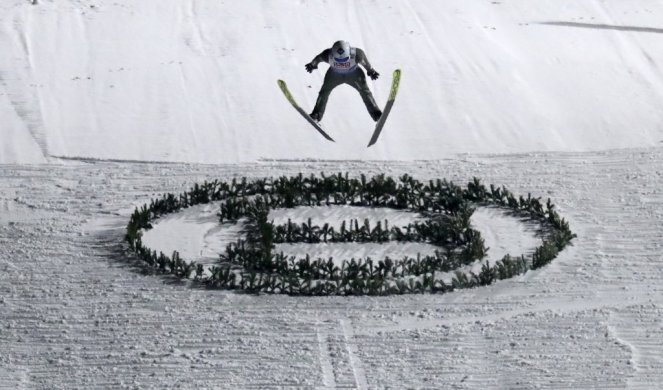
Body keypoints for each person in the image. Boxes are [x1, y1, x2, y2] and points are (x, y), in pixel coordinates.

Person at [305, 40, 382, 122]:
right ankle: (316, 114)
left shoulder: (357, 54)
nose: (341, 62)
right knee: (324, 92)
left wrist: (371, 71)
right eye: (338, 59)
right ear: (333, 54)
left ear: (349, 53)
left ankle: (376, 113)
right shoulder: (327, 55)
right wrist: (312, 64)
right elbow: (318, 58)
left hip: (354, 75)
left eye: (345, 59)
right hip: (334, 75)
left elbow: (365, 63)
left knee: (365, 91)